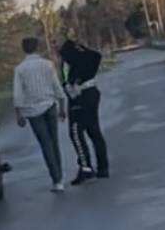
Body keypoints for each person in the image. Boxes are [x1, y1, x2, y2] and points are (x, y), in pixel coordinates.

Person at [13, 37, 67, 192]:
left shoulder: (20, 69)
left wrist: (19, 114)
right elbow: (56, 86)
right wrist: (62, 106)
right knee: (54, 141)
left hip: (32, 110)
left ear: (24, 49)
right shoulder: (47, 65)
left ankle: (56, 179)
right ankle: (60, 175)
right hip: (50, 105)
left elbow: (18, 93)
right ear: (37, 47)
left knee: (45, 144)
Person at [59, 39, 109, 185]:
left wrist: (74, 82)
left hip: (79, 97)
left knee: (75, 132)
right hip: (92, 92)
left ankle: (86, 167)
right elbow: (96, 56)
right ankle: (103, 167)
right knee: (94, 130)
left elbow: (67, 80)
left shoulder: (70, 61)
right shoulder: (88, 57)